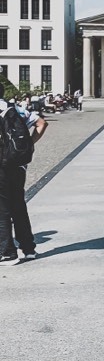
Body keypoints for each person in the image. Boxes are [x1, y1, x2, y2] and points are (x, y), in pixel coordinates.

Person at [0, 84, 48, 265]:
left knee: (2, 208)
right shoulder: (16, 109)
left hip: (2, 165)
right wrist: (29, 144)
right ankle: (28, 248)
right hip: (19, 165)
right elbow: (42, 123)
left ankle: (7, 253)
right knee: (18, 204)